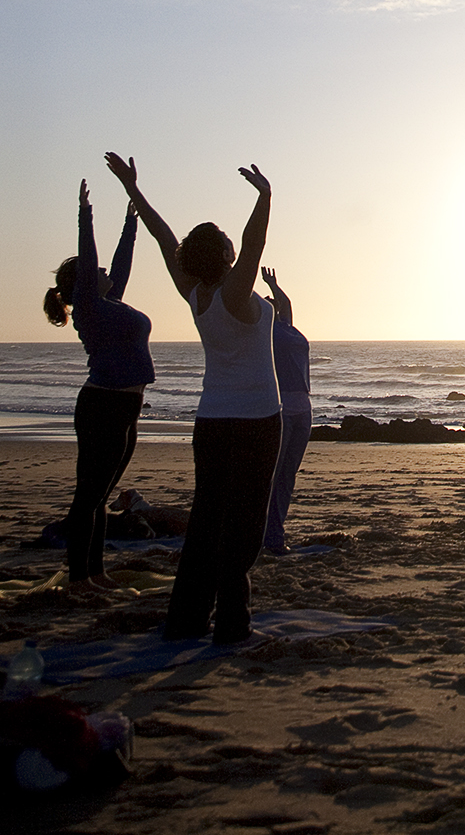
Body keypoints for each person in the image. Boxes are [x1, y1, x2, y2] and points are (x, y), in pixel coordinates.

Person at [104, 152, 280, 645]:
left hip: (212, 419)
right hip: (257, 419)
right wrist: (266, 197)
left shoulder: (196, 294)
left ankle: (186, 620)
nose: (231, 244)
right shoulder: (234, 293)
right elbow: (255, 242)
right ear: (223, 255)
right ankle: (232, 624)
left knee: (207, 521)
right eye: (225, 242)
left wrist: (133, 189)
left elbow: (164, 237)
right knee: (245, 524)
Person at [43, 181, 154, 588]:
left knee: (103, 493)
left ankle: (95, 572)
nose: (106, 271)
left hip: (126, 408)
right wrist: (85, 215)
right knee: (89, 495)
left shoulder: (111, 302)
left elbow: (120, 263)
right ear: (85, 284)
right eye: (97, 272)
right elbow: (90, 261)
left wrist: (130, 222)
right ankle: (79, 577)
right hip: (102, 405)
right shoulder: (89, 305)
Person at [260, 266, 312, 555]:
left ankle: (275, 534)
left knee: (287, 476)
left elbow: (287, 305)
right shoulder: (261, 334)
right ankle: (263, 534)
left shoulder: (287, 327)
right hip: (278, 409)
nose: (273, 303)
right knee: (272, 475)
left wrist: (274, 284)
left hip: (303, 408)